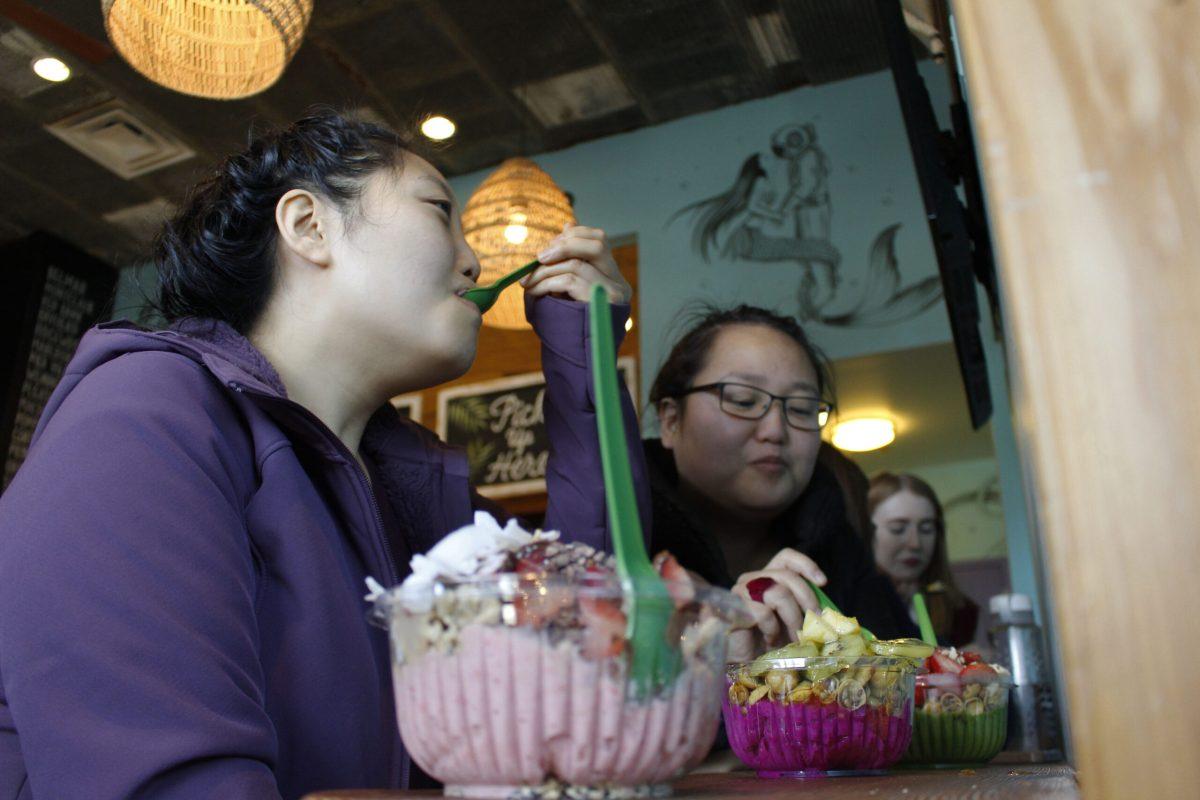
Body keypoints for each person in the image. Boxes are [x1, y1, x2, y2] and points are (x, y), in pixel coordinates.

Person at [0, 109, 647, 800]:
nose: (473, 259)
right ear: (309, 226)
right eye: (438, 212)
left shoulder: (409, 489)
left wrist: (586, 363)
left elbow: (592, 634)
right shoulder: (145, 417)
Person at [646, 304, 916, 659]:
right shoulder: (613, 536)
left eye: (802, 409)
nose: (776, 430)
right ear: (670, 421)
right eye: (743, 400)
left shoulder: (844, 554)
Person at [868, 472, 980, 647]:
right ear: (865, 530)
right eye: (897, 529)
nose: (915, 543)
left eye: (926, 529)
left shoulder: (961, 610)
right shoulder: (845, 606)